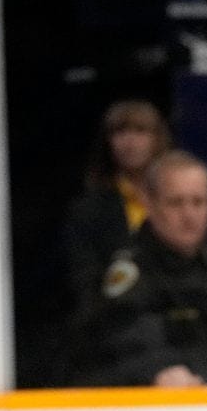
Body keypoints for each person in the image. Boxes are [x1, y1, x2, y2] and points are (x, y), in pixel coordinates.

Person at [68, 151, 207, 387]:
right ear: (149, 203)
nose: (189, 215)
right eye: (176, 203)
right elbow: (121, 342)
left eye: (198, 202)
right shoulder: (133, 274)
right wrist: (157, 370)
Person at [61, 99, 175, 315]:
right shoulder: (87, 210)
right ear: (108, 142)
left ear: (157, 139)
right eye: (120, 132)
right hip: (117, 321)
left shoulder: (178, 200)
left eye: (141, 131)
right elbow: (84, 283)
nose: (130, 142)